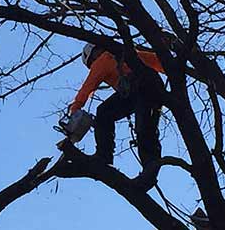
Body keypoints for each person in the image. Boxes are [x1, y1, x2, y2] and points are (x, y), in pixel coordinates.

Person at [69, 43, 167, 188]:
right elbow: (157, 61)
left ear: (93, 55)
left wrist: (75, 108)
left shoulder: (103, 59)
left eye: (91, 64)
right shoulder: (128, 53)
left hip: (139, 87)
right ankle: (149, 173)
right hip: (153, 86)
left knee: (104, 113)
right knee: (146, 130)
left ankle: (104, 155)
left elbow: (89, 86)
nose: (93, 66)